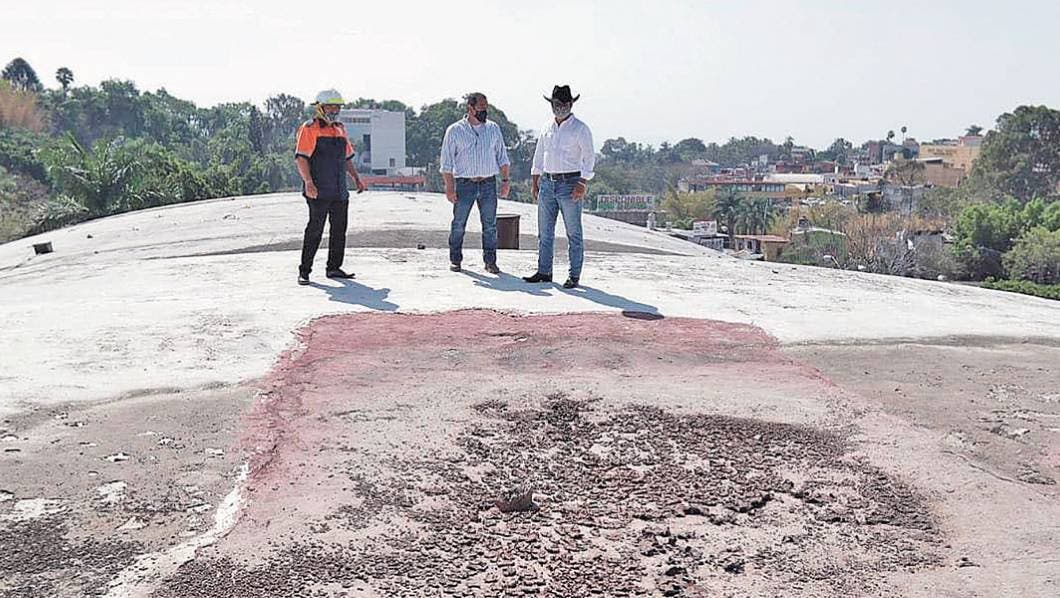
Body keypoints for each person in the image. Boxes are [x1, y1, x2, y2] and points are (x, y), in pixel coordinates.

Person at [523, 85, 595, 289]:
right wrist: (535, 181)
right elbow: (539, 155)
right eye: (556, 104)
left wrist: (582, 182)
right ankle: (544, 271)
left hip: (570, 183)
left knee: (573, 232)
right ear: (551, 105)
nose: (560, 107)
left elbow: (589, 158)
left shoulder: (580, 128)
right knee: (544, 232)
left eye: (564, 104)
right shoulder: (547, 127)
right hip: (547, 183)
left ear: (571, 104)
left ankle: (574, 275)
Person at [294, 89, 366, 286]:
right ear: (320, 107)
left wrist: (357, 179)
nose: (334, 110)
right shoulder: (310, 128)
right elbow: (301, 158)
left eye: (337, 107)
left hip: (339, 190)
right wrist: (308, 183)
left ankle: (334, 267)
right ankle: (305, 270)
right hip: (318, 189)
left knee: (339, 230)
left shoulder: (340, 129)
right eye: (330, 106)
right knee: (315, 230)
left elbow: (347, 158)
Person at [439, 92, 511, 274]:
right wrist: (449, 188)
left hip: (488, 183)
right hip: (465, 184)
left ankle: (490, 261)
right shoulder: (455, 131)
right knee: (459, 224)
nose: (484, 113)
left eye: (486, 109)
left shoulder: (493, 129)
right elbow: (446, 163)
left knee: (490, 225)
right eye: (480, 109)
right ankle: (455, 259)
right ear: (470, 108)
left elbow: (502, 157)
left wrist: (505, 181)